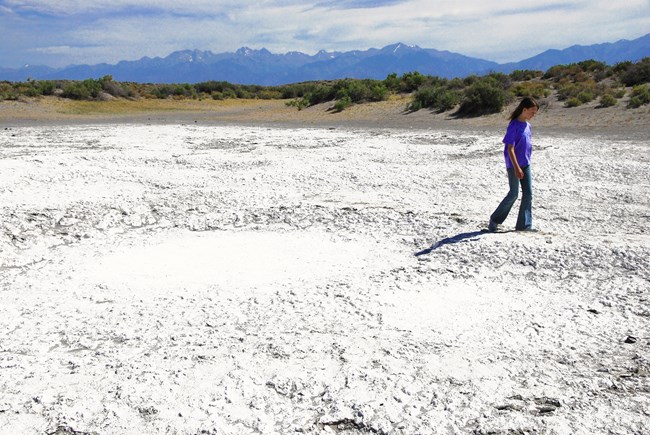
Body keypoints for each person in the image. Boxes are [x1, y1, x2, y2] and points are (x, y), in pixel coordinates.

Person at [488, 96, 539, 232]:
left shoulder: (528, 126)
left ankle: (524, 225)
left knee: (528, 194)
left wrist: (525, 164)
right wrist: (516, 167)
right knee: (513, 194)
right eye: (532, 112)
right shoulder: (513, 125)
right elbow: (510, 148)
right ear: (524, 109)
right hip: (513, 165)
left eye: (535, 113)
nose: (533, 115)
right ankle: (494, 220)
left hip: (525, 164)